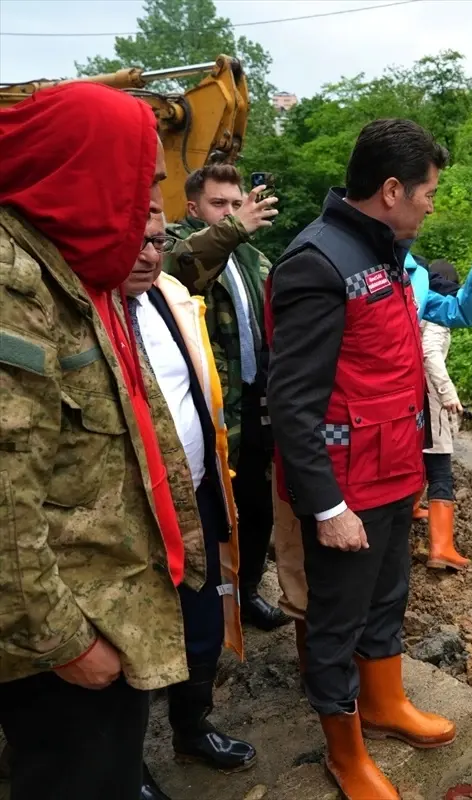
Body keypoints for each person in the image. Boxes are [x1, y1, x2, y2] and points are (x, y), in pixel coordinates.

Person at [266, 118, 472, 800]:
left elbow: (443, 322)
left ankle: (383, 703)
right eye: (429, 192)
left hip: (395, 464)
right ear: (393, 189)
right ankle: (344, 753)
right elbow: (292, 404)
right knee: (336, 622)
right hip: (347, 482)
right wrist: (326, 505)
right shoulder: (318, 262)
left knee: (387, 600)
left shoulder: (386, 253)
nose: (434, 204)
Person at [0, 83, 206, 800]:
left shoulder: (75, 272)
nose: (152, 206)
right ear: (85, 172)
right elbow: (4, 506)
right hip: (66, 640)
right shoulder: (15, 284)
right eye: (142, 183)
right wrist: (64, 642)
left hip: (109, 610)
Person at [122, 213, 257, 798]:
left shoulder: (167, 299)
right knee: (132, 637)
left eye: (155, 241)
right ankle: (125, 769)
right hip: (131, 514)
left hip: (195, 492)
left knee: (200, 621)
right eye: (134, 242)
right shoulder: (85, 309)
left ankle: (191, 727)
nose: (148, 255)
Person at [163, 166, 289, 631]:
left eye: (238, 203)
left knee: (256, 509)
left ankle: (247, 592)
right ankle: (201, 607)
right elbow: (181, 268)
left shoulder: (254, 258)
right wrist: (233, 229)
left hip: (255, 404)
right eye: (221, 204)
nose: (233, 212)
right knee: (206, 511)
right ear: (194, 207)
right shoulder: (177, 244)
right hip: (206, 409)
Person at [417, 259, 469, 570]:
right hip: (430, 402)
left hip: (408, 400)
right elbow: (430, 354)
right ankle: (441, 548)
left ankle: (412, 509)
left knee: (415, 461)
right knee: (440, 470)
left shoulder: (415, 303)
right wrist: (449, 395)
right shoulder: (438, 315)